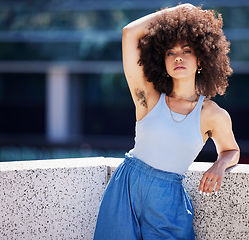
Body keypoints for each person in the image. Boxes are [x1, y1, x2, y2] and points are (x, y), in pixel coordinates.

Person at [94, 3, 240, 239]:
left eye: (186, 51)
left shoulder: (212, 114)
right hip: (125, 188)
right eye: (170, 52)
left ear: (201, 59)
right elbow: (129, 33)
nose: (178, 57)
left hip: (167, 200)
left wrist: (219, 166)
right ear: (162, 60)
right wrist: (181, 10)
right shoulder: (149, 98)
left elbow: (231, 150)